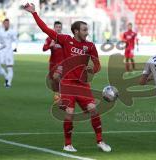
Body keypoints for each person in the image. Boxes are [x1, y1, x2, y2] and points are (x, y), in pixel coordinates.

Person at [23, 3, 111, 152]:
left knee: (93, 110)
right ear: (76, 31)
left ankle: (100, 141)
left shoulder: (89, 46)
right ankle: (67, 144)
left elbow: (97, 64)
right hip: (68, 84)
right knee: (69, 114)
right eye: (84, 30)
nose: (87, 32)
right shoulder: (65, 40)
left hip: (82, 85)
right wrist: (34, 13)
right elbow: (46, 29)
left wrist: (92, 70)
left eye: (87, 30)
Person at [43, 21, 64, 103]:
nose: (58, 29)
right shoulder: (49, 38)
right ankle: (57, 95)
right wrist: (50, 46)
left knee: (57, 78)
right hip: (52, 63)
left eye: (59, 27)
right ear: (54, 28)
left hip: (62, 63)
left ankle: (62, 94)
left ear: (61, 28)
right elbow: (44, 49)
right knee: (53, 81)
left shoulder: (64, 38)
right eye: (57, 27)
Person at [0, 18, 18, 88]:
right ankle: (6, 76)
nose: (7, 25)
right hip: (1, 52)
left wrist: (15, 48)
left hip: (9, 53)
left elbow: (15, 40)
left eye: (8, 23)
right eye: (5, 23)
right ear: (3, 24)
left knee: (9, 68)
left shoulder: (12, 32)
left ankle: (8, 83)